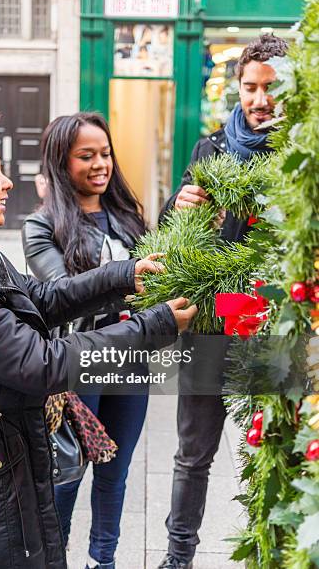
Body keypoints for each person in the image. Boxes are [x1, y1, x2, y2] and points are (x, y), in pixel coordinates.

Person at [0, 91, 198, 569]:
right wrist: (157, 324)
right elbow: (44, 364)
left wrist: (124, 275)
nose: (7, 183)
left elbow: (40, 300)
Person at [157, 34, 289, 569]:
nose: (259, 99)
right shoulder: (209, 149)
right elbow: (171, 234)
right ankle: (177, 556)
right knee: (194, 452)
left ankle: (271, 554)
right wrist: (181, 202)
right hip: (212, 322)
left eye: (271, 88)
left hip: (274, 325)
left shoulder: (301, 156)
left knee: (272, 447)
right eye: (250, 87)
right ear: (237, 87)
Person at [22, 112, 150, 569]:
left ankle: (104, 559)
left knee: (115, 474)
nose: (101, 164)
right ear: (61, 161)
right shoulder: (41, 227)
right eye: (86, 156)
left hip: (134, 358)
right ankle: (55, 559)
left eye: (106, 153)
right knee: (67, 473)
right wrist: (128, 278)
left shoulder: (127, 218)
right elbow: (60, 293)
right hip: (78, 364)